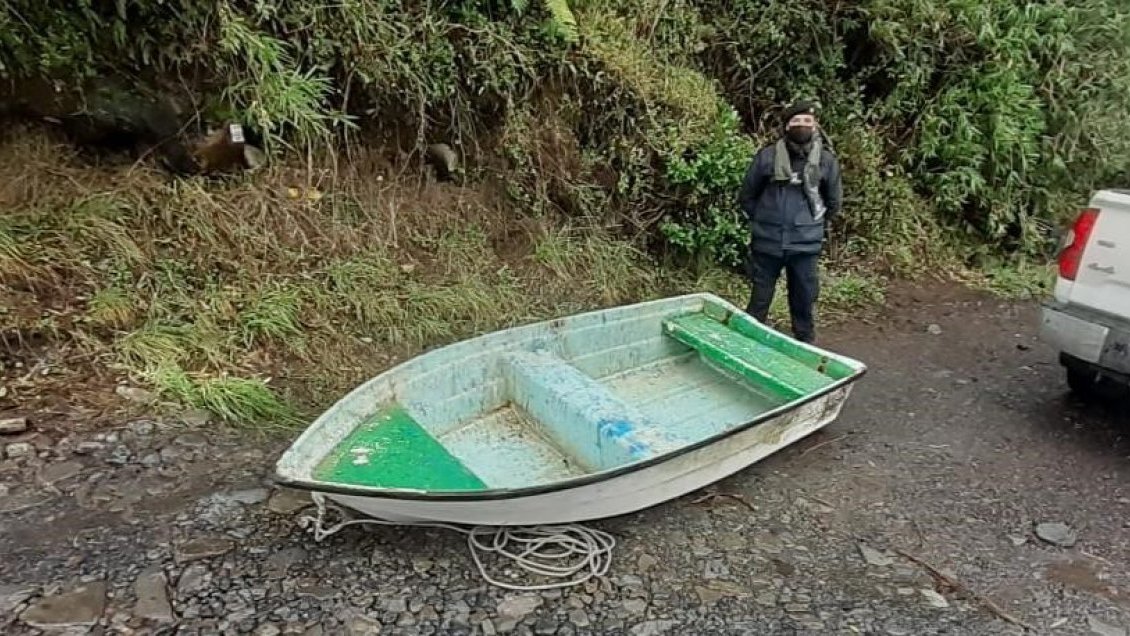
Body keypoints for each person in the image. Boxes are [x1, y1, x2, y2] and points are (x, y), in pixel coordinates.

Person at [737, 100, 842, 343]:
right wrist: (765, 220)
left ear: (815, 126)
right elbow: (747, 196)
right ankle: (745, 344)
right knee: (759, 300)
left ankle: (805, 347)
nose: (802, 125)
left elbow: (833, 203)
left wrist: (811, 225)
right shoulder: (767, 156)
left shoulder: (826, 161)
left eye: (807, 121)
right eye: (796, 121)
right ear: (786, 126)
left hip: (805, 246)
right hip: (767, 243)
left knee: (803, 300)